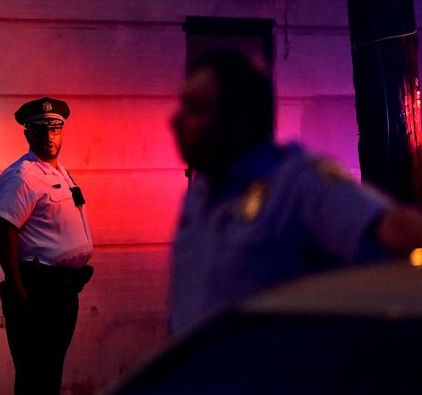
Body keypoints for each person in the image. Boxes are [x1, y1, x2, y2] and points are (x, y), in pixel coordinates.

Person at [169, 49, 422, 337]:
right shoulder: (200, 195)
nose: (177, 122)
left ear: (239, 119)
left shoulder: (299, 185)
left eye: (197, 109)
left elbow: (395, 228)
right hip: (195, 380)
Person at [0, 97, 95, 395]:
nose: (49, 135)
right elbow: (5, 229)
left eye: (55, 128)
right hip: (38, 289)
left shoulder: (60, 173)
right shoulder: (23, 176)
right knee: (36, 384)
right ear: (27, 132)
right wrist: (18, 288)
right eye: (41, 129)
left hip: (64, 290)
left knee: (49, 380)